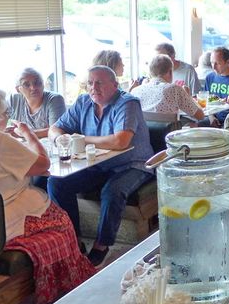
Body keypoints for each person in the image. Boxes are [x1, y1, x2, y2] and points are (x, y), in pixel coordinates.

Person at [47, 66, 155, 266]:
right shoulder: (83, 102)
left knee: (112, 191)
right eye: (90, 82)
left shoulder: (127, 102)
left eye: (99, 82)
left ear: (114, 85)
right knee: (56, 183)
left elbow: (120, 141)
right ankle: (74, 240)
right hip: (99, 165)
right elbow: (55, 128)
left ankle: (101, 245)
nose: (93, 87)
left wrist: (80, 139)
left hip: (133, 164)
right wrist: (60, 139)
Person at [0, 91, 95, 304]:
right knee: (62, 221)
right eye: (5, 113)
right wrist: (28, 134)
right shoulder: (1, 141)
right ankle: (64, 283)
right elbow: (43, 164)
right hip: (6, 215)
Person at [130, 54, 204, 120]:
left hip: (145, 134)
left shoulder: (135, 91)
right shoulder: (175, 89)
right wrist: (188, 96)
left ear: (150, 73)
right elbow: (200, 116)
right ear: (170, 72)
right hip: (169, 134)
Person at [9, 68, 66, 138]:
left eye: (37, 82)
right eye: (26, 84)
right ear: (18, 89)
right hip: (20, 146)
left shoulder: (54, 99)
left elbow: (57, 130)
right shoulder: (13, 99)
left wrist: (24, 133)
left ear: (43, 84)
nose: (33, 87)